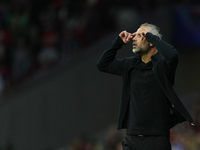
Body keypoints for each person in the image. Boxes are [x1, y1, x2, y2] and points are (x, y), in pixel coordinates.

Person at [96, 23, 193, 150]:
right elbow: (102, 64)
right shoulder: (129, 64)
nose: (134, 38)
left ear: (151, 41)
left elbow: (173, 55)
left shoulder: (163, 66)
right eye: (134, 35)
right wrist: (118, 42)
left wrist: (151, 37)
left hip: (157, 140)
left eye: (140, 35)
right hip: (132, 139)